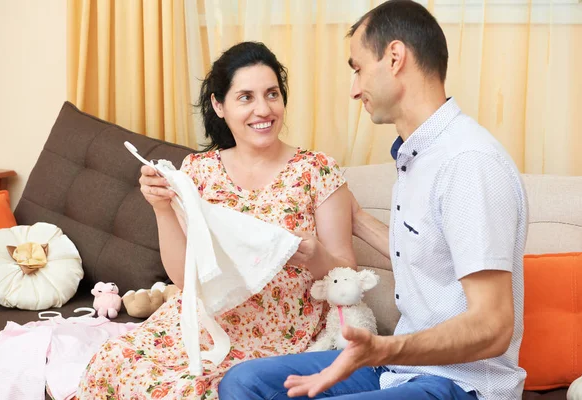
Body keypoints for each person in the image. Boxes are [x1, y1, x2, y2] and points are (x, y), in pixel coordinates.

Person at [218, 1, 528, 399]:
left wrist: (380, 347)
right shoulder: (417, 157)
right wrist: (357, 217)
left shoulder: (468, 164)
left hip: (460, 384)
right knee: (244, 382)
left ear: (395, 58)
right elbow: (428, 254)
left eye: (357, 68)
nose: (353, 89)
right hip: (400, 369)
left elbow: (493, 327)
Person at [76, 41, 357, 400]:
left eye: (272, 94)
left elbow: (346, 273)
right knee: (109, 362)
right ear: (218, 105)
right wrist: (161, 207)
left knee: (193, 392)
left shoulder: (316, 170)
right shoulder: (197, 171)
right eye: (246, 97)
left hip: (276, 331)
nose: (263, 109)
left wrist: (317, 257)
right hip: (201, 318)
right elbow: (183, 277)